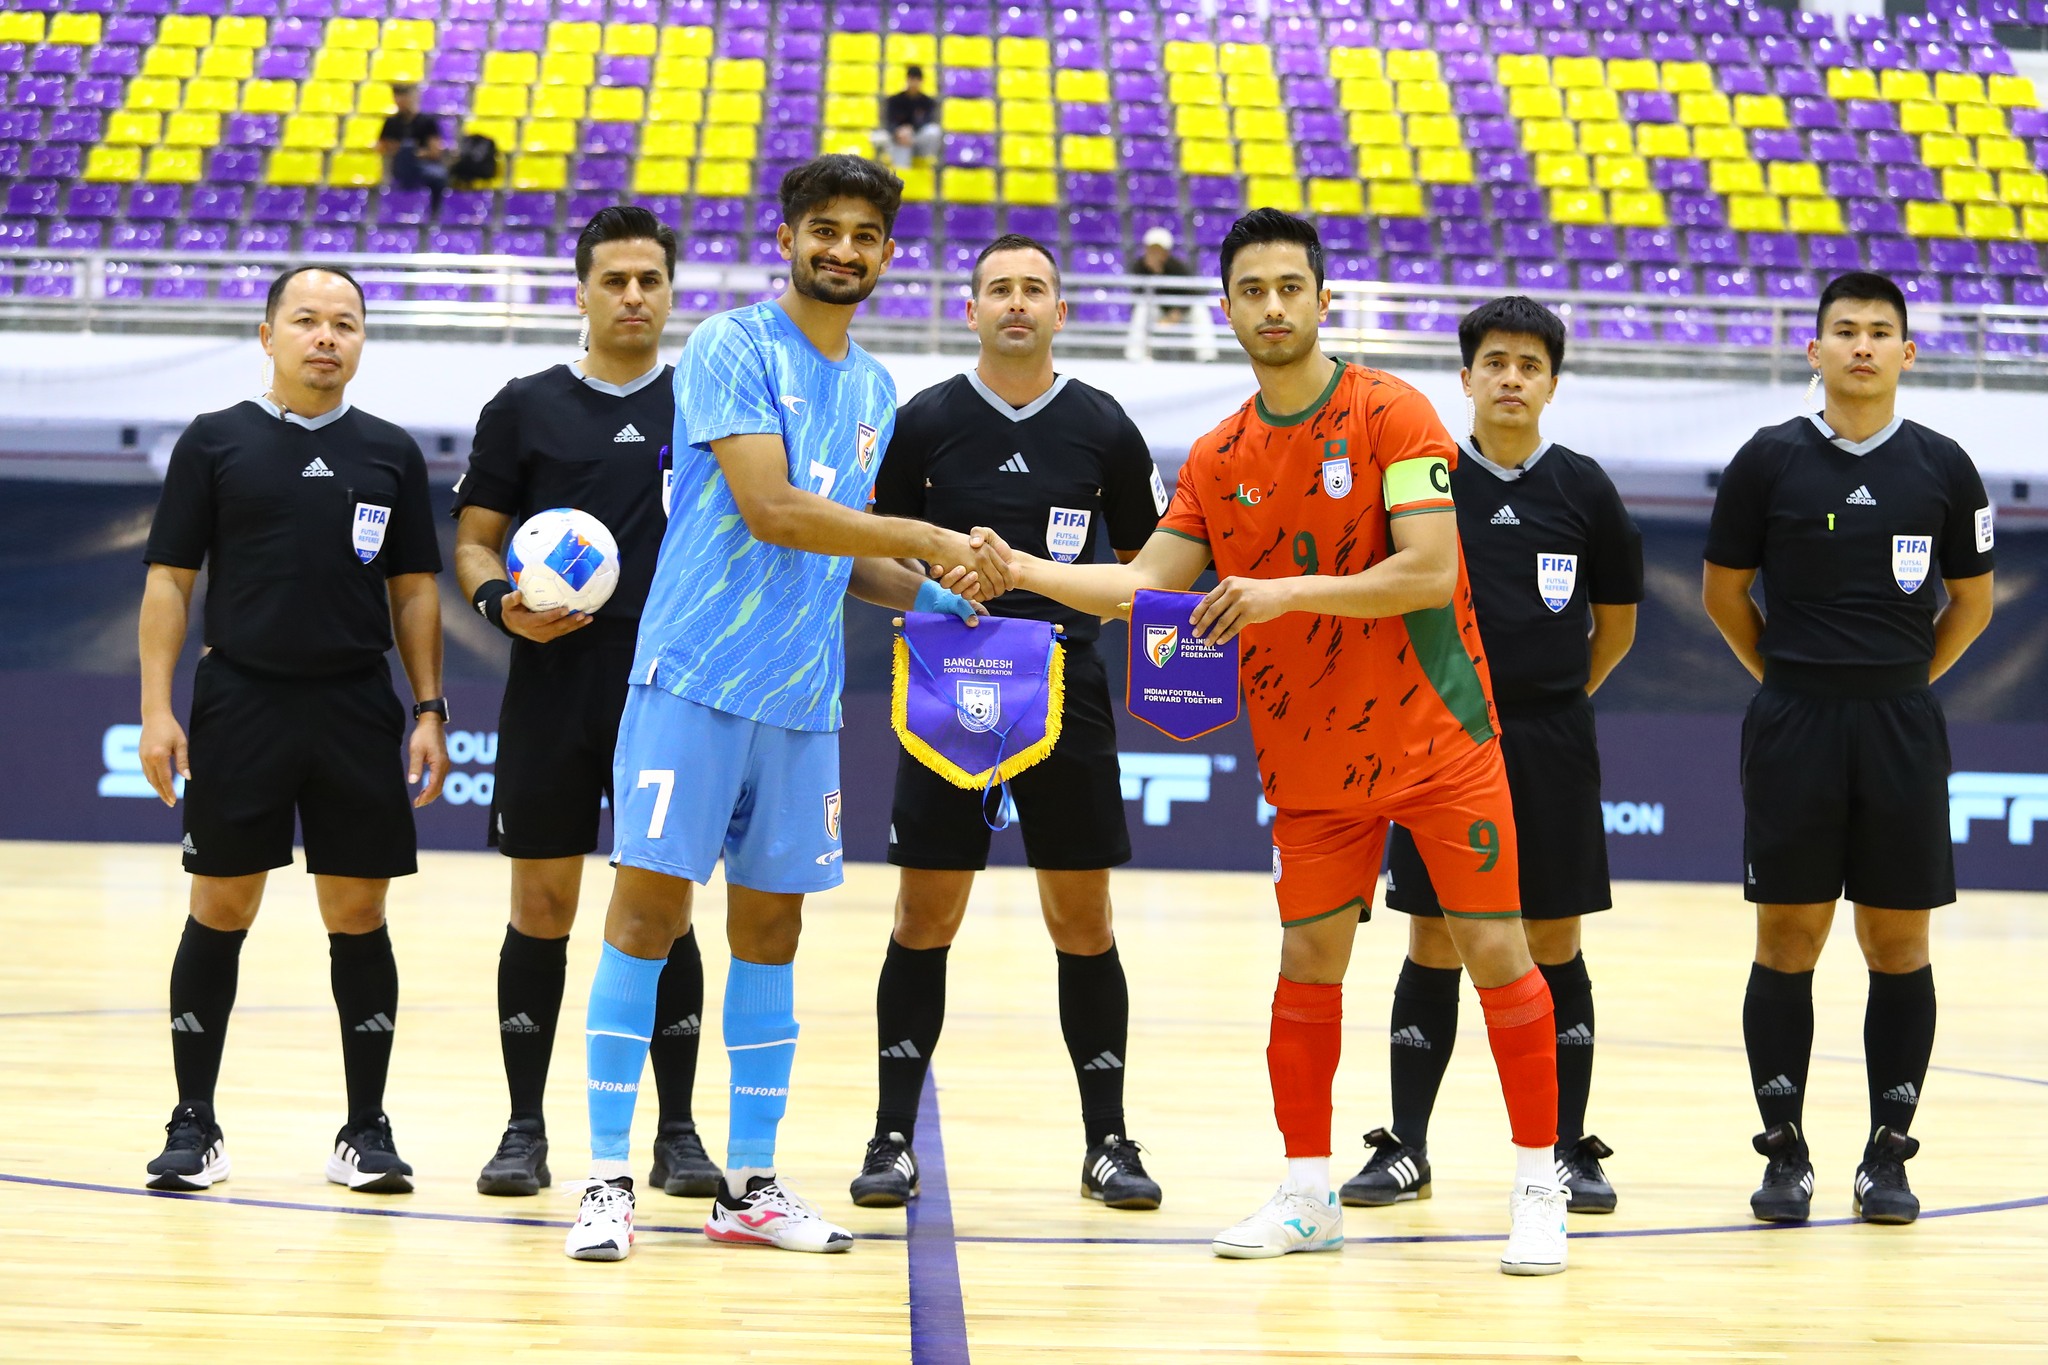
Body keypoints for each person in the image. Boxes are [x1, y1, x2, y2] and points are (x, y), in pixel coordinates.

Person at [973, 209, 1570, 1275]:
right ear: (1227, 310)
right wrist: (1019, 570)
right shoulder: (1215, 457)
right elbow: (1143, 584)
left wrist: (1278, 592)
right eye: (1251, 291)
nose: (1272, 307)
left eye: (1289, 287)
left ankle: (1539, 1184)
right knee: (1307, 963)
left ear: (1320, 298)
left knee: (1494, 953)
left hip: (1440, 738)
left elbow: (1429, 572)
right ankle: (1307, 1193)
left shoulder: (1394, 413)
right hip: (1308, 762)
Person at [562, 154, 1013, 1261]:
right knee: (646, 919)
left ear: (887, 255)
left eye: (865, 234)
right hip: (693, 679)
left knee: (773, 930)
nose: (843, 250)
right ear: (789, 237)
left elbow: (845, 558)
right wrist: (923, 537)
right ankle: (607, 1179)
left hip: (802, 701)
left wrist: (952, 598)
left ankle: (751, 1186)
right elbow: (771, 511)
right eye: (825, 229)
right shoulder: (729, 345)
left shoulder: (872, 389)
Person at [851, 233, 1168, 1212]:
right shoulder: (924, 422)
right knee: (922, 917)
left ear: (1061, 309)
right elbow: (863, 557)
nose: (1016, 303)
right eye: (998, 289)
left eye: (1035, 287)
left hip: (1064, 695)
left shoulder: (1104, 428)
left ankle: (1107, 1140)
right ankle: (891, 1136)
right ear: (970, 307)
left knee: (1082, 921)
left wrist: (1026, 576)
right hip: (947, 692)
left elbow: (1149, 581)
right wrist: (939, 591)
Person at [137, 265, 450, 1196]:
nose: (327, 336)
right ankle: (194, 1121)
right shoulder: (214, 441)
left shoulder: (390, 451)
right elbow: (168, 581)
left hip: (356, 705)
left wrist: (429, 706)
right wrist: (156, 707)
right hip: (242, 700)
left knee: (359, 915)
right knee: (220, 908)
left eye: (345, 323)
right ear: (267, 334)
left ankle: (366, 1128)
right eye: (307, 320)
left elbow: (414, 592)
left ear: (362, 342)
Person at [1702, 271, 1995, 1226]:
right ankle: (1785, 1153)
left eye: (1880, 332)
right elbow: (1722, 594)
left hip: (1899, 724)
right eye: (1845, 331)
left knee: (1897, 943)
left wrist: (1902, 682)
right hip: (1794, 720)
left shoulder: (1945, 465)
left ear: (1908, 353)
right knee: (1787, 940)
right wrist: (1787, 680)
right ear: (1815, 350)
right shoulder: (1768, 459)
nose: (1862, 346)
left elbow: (1975, 603)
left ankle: (1888, 1154)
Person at [1342, 296, 1642, 1216]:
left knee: (1554, 940)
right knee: (1434, 936)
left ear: (1553, 381)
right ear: (1465, 376)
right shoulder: (1425, 478)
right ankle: (1408, 1147)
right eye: (1496, 362)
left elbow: (1616, 629)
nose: (1513, 378)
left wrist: (1546, 706)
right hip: (1437, 740)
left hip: (1549, 742)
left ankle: (1565, 1149)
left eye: (1531, 365)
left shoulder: (1585, 488)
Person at [452, 207, 719, 1200]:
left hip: (669, 688)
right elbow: (475, 540)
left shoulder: (704, 403)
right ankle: (524, 1127)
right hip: (553, 684)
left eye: (650, 280)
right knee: (543, 906)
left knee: (663, 906)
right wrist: (495, 603)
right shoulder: (524, 405)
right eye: (615, 280)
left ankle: (679, 1132)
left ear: (670, 291)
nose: (634, 297)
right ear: (582, 291)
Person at [377, 84, 449, 205]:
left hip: (423, 165)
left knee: (438, 175)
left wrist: (412, 152)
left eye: (404, 96)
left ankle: (435, 211)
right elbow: (381, 146)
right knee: (406, 149)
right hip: (400, 166)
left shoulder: (426, 121)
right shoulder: (390, 122)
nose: (401, 101)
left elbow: (434, 152)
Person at [879, 64, 941, 169]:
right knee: (878, 137)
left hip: (916, 139)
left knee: (934, 131)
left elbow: (928, 121)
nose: (914, 82)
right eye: (912, 78)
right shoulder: (894, 100)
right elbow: (888, 122)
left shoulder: (927, 102)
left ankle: (927, 160)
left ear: (921, 81)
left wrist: (911, 131)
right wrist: (898, 132)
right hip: (898, 139)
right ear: (907, 80)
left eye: (917, 79)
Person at [1130, 226, 1194, 325]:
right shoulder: (1139, 267)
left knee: (1199, 310)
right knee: (1142, 309)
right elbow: (1138, 294)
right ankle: (1137, 341)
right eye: (1152, 249)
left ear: (1166, 252)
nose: (1156, 253)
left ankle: (1205, 341)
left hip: (1178, 310)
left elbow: (1192, 292)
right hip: (1154, 309)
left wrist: (1178, 311)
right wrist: (1155, 272)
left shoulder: (1177, 267)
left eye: (1159, 249)